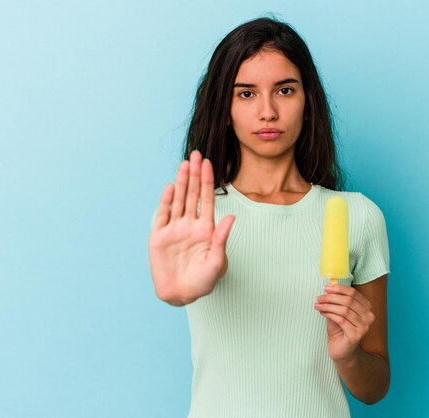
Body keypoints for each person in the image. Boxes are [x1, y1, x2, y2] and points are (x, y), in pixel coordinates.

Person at [148, 16, 390, 418]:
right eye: (246, 94)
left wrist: (348, 356)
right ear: (224, 108)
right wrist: (176, 293)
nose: (268, 111)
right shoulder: (196, 218)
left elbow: (375, 387)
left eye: (285, 90)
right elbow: (176, 287)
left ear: (307, 102)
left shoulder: (357, 217)